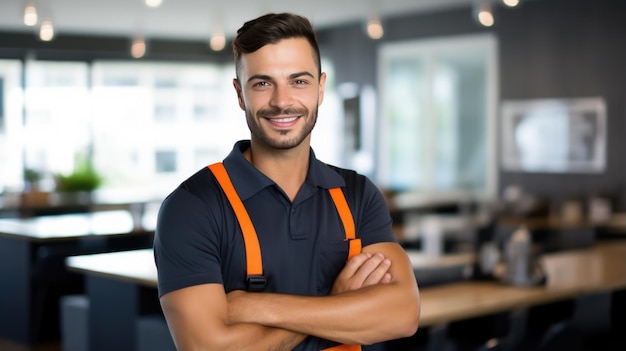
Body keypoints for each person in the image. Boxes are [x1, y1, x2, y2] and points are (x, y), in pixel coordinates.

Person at [153, 12, 420, 351]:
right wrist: (338, 301)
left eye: (299, 81)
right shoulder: (193, 207)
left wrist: (255, 306)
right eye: (262, 83)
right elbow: (207, 347)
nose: (282, 101)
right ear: (239, 93)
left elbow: (403, 314)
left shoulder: (357, 195)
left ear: (321, 88)